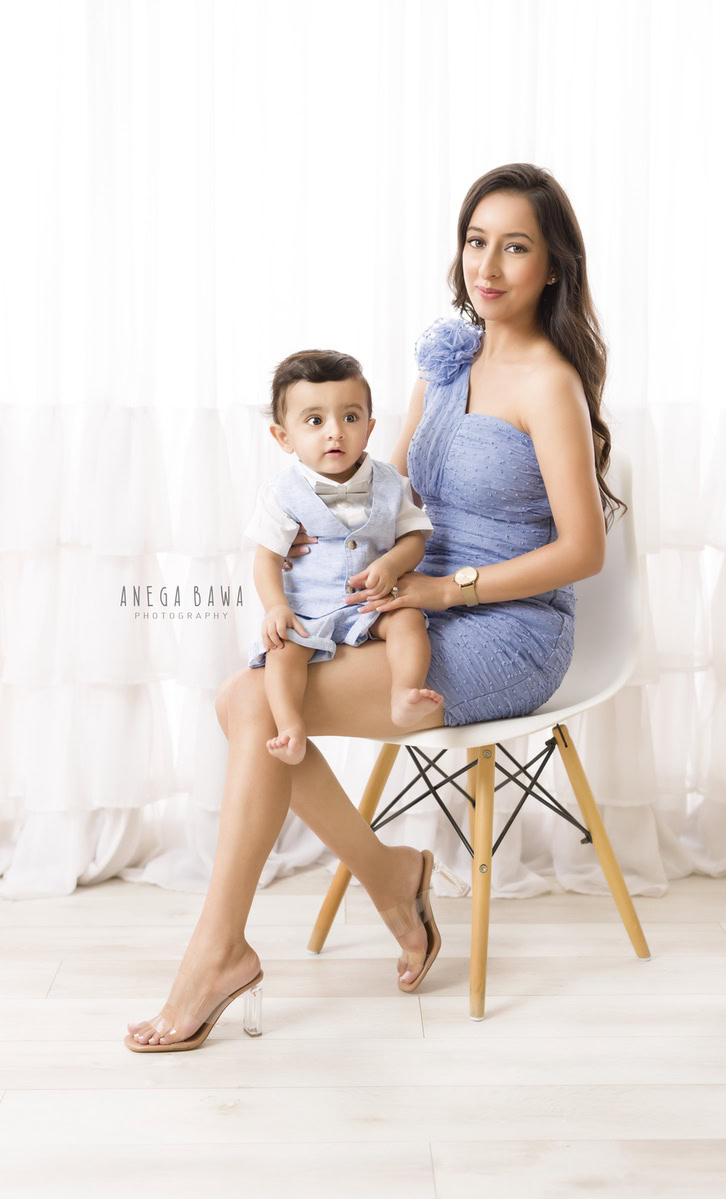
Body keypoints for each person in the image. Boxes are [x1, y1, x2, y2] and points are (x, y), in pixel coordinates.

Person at [125, 162, 626, 1052]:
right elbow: (394, 489)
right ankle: (387, 879)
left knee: (249, 702)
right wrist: (328, 536)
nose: (488, 266)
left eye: (515, 247)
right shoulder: (448, 359)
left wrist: (444, 588)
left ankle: (219, 951)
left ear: (553, 265)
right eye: (476, 241)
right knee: (245, 698)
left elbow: (583, 552)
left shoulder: (551, 383)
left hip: (509, 627)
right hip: (408, 601)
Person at [245, 348, 443, 767]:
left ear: (369, 429)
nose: (335, 433)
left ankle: (404, 693)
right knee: (282, 650)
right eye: (315, 421)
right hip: (309, 609)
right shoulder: (282, 493)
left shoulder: (390, 482)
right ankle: (290, 726)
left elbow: (414, 538)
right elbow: (266, 559)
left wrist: (392, 564)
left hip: (370, 603)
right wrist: (276, 607)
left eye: (350, 418)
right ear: (284, 437)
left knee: (408, 620)